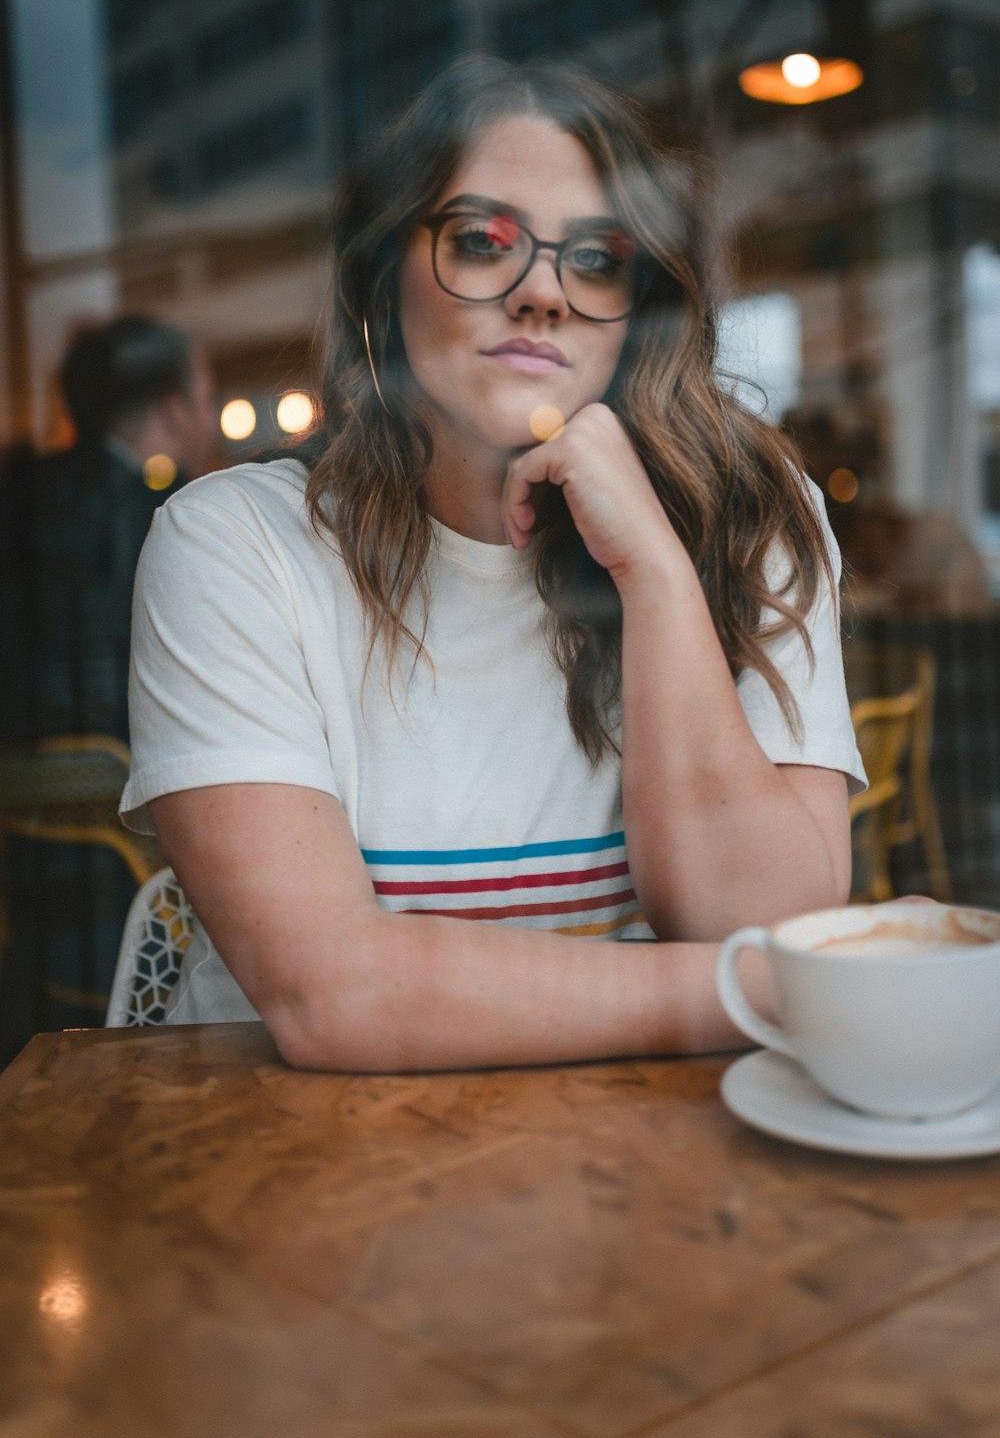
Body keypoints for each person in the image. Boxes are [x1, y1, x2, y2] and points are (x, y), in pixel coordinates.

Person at [119, 57, 866, 1071]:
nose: (544, 295)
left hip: (652, 1170)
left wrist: (654, 570)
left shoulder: (754, 521)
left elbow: (754, 915)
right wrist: (774, 992)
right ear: (383, 276)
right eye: (481, 243)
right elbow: (333, 997)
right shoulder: (236, 547)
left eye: (598, 259)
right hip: (296, 1170)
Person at [0, 314, 217, 1061]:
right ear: (173, 405)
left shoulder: (15, 501)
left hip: (26, 886)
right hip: (139, 880)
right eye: (206, 389)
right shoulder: (183, 522)